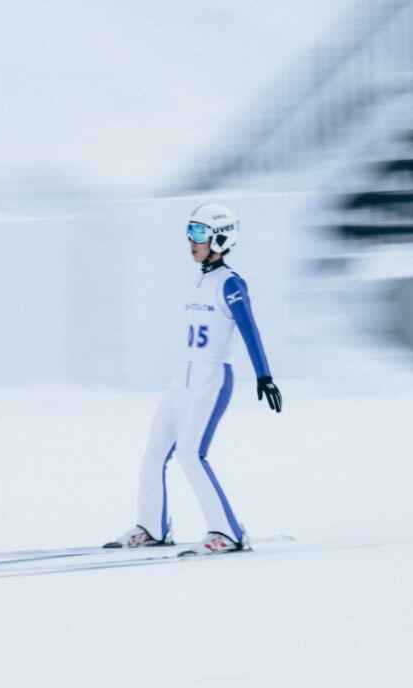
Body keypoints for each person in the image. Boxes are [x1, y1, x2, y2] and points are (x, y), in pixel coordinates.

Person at [104, 203, 282, 556]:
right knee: (155, 452)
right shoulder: (201, 278)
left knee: (190, 454)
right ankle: (151, 527)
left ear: (220, 237)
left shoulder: (230, 283)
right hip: (182, 379)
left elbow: (249, 329)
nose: (191, 240)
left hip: (211, 379)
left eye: (199, 233)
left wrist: (264, 376)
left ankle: (228, 533)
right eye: (190, 231)